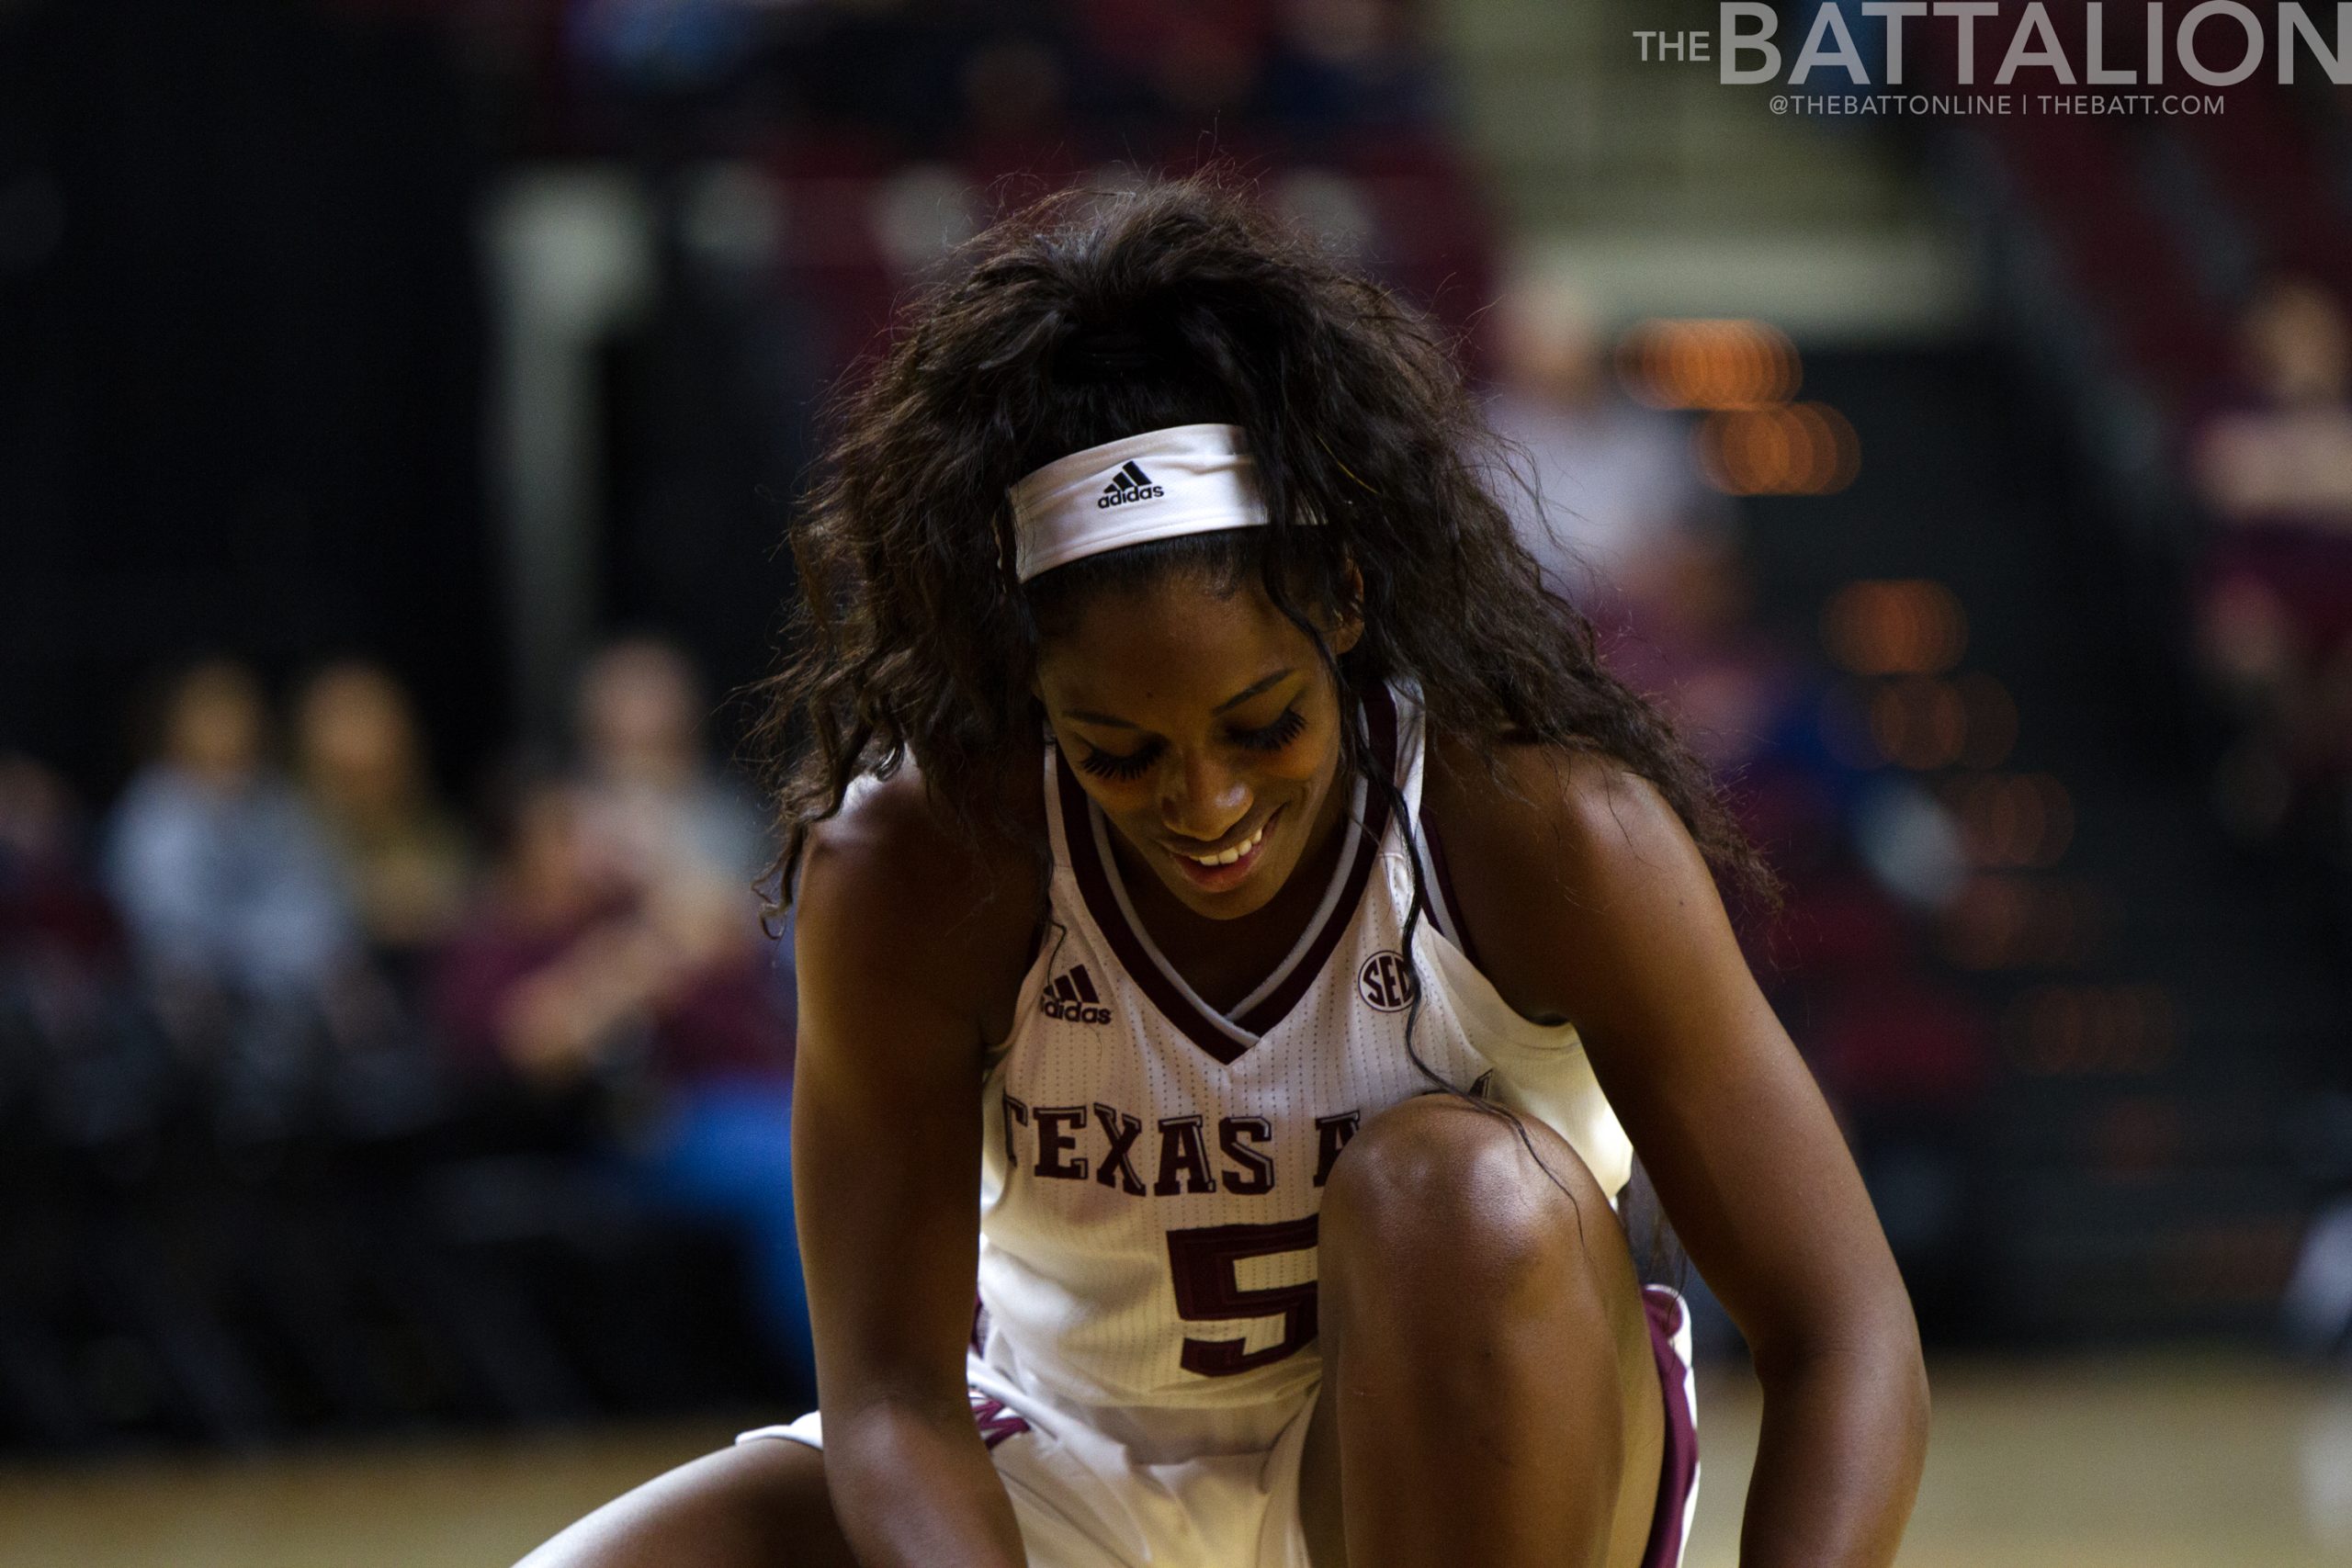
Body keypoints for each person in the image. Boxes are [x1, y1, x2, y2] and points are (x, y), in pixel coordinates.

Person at [521, 175, 1925, 1568]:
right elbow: (889, 1398)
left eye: (1264, 727)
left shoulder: (1548, 837)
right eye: (1120, 751)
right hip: (1062, 1468)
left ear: (1344, 606)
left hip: (1460, 1482)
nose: (1206, 803)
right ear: (1027, 692)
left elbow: (1844, 1335)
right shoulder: (912, 866)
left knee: (1457, 1195)